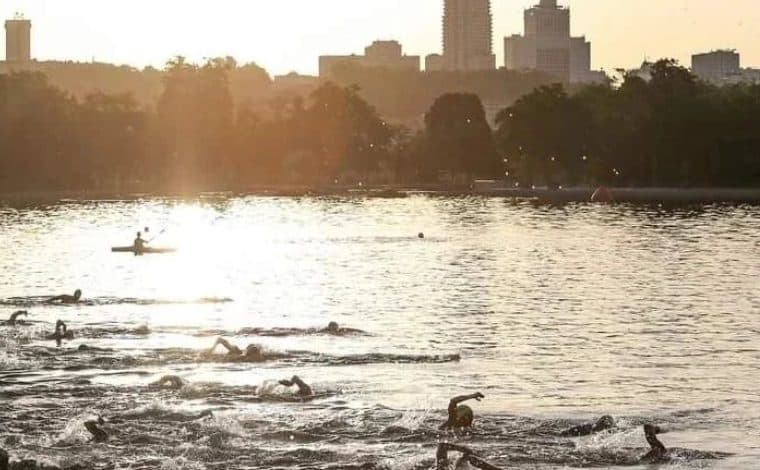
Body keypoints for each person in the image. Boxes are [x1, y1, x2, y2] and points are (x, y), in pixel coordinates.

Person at [436, 443, 503, 470]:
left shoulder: (442, 467)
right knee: (468, 458)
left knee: (467, 458)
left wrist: (464, 449)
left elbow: (442, 446)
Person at [207, 337, 272, 362]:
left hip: (238, 354)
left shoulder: (259, 357)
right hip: (235, 355)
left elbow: (220, 339)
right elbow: (220, 339)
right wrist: (213, 348)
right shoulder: (237, 352)